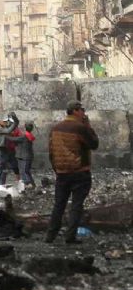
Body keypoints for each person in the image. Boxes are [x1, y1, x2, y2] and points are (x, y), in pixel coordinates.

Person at [45, 100, 99, 244]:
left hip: (62, 173)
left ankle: (50, 236)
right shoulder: (80, 128)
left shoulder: (55, 128)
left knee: (59, 205)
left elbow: (51, 152)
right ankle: (70, 237)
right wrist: (88, 126)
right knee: (76, 205)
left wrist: (57, 169)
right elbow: (94, 144)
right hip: (80, 173)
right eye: (82, 110)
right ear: (75, 111)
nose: (83, 113)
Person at [0, 113, 19, 187]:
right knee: (0, 169)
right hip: (0, 151)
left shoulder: (1, 128)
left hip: (3, 151)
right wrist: (14, 121)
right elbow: (8, 130)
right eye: (3, 121)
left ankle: (1, 184)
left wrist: (15, 119)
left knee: (4, 169)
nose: (5, 122)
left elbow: (12, 127)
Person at [6, 121, 36, 189]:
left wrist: (5, 135)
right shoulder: (29, 135)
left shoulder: (24, 136)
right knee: (27, 171)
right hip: (28, 156)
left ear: (25, 128)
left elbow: (13, 139)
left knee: (24, 172)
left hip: (24, 156)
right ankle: (32, 184)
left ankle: (28, 184)